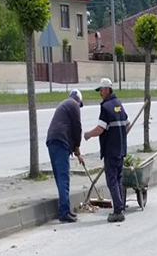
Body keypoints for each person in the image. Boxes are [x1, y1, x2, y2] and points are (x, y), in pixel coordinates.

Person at [84, 78, 130, 223]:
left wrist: (88, 135)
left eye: (101, 91)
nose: (100, 94)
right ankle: (120, 205)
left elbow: (100, 128)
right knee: (118, 179)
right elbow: (127, 125)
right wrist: (120, 135)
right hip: (121, 149)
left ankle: (118, 211)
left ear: (106, 90)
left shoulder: (106, 107)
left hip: (111, 150)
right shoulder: (118, 105)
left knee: (112, 180)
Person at [46, 90, 84, 223]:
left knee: (59, 177)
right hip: (60, 142)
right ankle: (64, 212)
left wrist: (74, 148)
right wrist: (77, 146)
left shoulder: (65, 103)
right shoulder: (74, 105)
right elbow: (77, 127)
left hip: (52, 141)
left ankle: (65, 209)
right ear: (78, 100)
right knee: (63, 178)